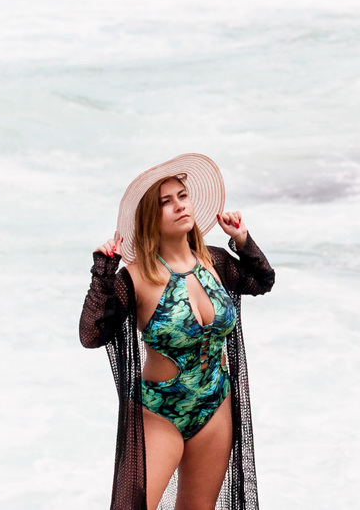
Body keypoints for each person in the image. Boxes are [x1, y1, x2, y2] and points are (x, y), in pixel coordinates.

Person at [80, 153, 276, 510]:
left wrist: (243, 240)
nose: (178, 206)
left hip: (214, 406)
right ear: (149, 218)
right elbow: (92, 335)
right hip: (159, 412)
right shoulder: (137, 277)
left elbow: (262, 281)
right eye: (164, 202)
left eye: (181, 196)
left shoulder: (215, 262)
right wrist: (102, 273)